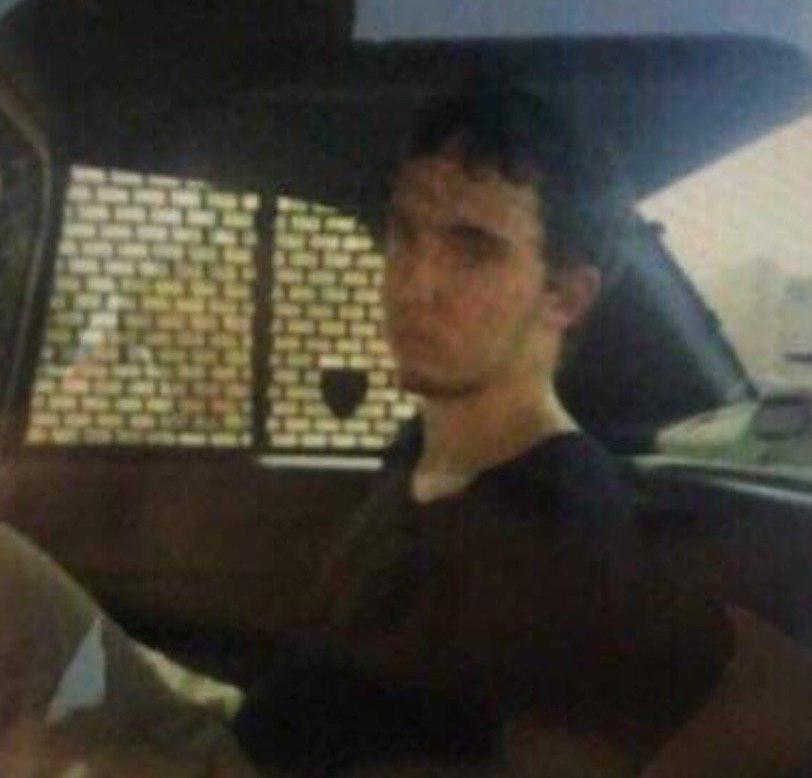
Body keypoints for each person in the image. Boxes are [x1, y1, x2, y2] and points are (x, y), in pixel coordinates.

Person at [234, 85, 812, 776]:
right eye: (405, 235)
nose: (414, 283)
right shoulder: (417, 453)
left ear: (564, 297)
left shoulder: (559, 524)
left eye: (472, 251)